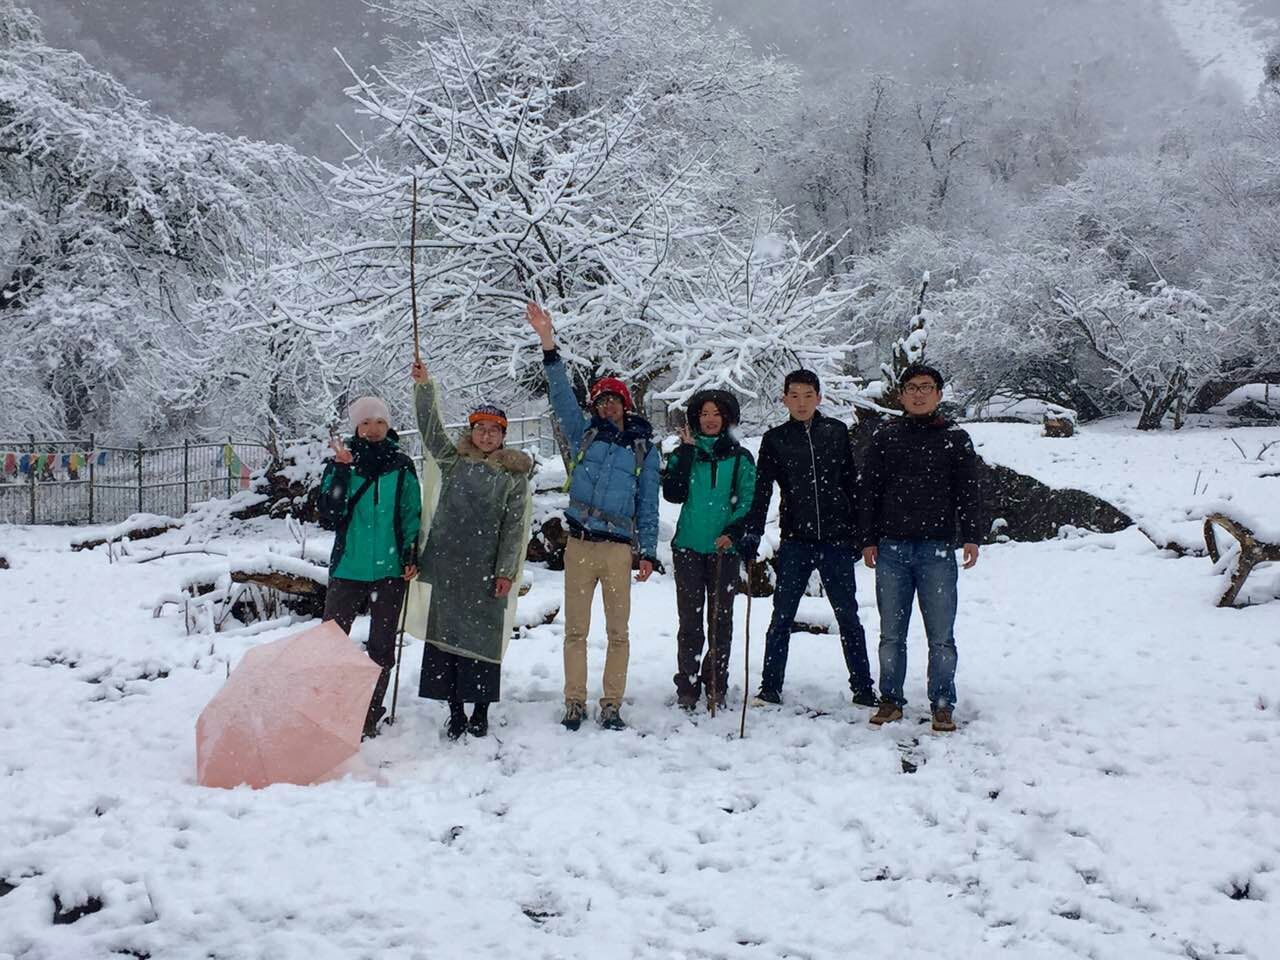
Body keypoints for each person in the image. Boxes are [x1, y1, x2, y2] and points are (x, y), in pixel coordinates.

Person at [525, 301, 660, 731]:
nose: (606, 407)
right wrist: (548, 343)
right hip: (580, 545)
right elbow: (560, 393)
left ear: (625, 404)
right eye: (600, 401)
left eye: (613, 401)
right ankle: (574, 701)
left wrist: (649, 551)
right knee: (576, 632)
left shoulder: (643, 448)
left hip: (619, 550)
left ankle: (612, 703)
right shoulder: (584, 433)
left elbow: (648, 504)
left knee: (618, 633)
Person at [408, 359, 533, 740]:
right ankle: (454, 711)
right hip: (448, 564)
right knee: (446, 641)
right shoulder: (453, 460)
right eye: (480, 429)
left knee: (482, 641)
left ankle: (480, 711)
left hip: (486, 569)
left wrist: (506, 571)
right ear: (472, 432)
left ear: (503, 436)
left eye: (494, 431)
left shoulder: (512, 477)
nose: (486, 436)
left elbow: (514, 528)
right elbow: (431, 432)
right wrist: (424, 386)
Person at [740, 370, 876, 707]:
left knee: (848, 616)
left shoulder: (836, 432)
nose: (801, 403)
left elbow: (850, 484)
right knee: (781, 615)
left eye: (808, 395)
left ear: (819, 397)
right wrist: (753, 531)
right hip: (796, 539)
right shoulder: (775, 439)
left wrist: (860, 533)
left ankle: (863, 687)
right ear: (784, 399)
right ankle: (770, 687)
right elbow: (762, 490)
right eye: (794, 395)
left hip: (836, 539)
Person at [859, 363, 982, 733]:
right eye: (911, 387)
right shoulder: (886, 436)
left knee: (941, 636)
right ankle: (890, 700)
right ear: (901, 394)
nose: (918, 393)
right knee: (891, 634)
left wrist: (972, 535)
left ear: (939, 394)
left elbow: (969, 491)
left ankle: (942, 703)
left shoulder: (955, 438)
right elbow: (869, 491)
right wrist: (867, 538)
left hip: (937, 549)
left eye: (926, 387)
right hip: (892, 548)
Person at [316, 396, 422, 740]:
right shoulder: (342, 464)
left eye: (379, 422)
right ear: (356, 428)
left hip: (390, 570)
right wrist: (342, 470)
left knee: (381, 646)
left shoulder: (401, 465)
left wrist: (410, 554)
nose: (373, 429)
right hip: (349, 568)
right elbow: (329, 514)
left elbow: (410, 513)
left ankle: (369, 712)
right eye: (365, 423)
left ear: (388, 425)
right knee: (332, 643)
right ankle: (330, 705)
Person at [662, 389, 756, 711]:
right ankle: (687, 684)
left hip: (723, 551)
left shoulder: (740, 457)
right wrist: (686, 452)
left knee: (721, 621)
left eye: (716, 413)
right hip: (688, 546)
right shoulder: (684, 453)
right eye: (704, 414)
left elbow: (748, 499)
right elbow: (672, 494)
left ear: (727, 417)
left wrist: (733, 531)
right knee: (689, 621)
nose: (710, 419)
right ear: (695, 418)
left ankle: (716, 682)